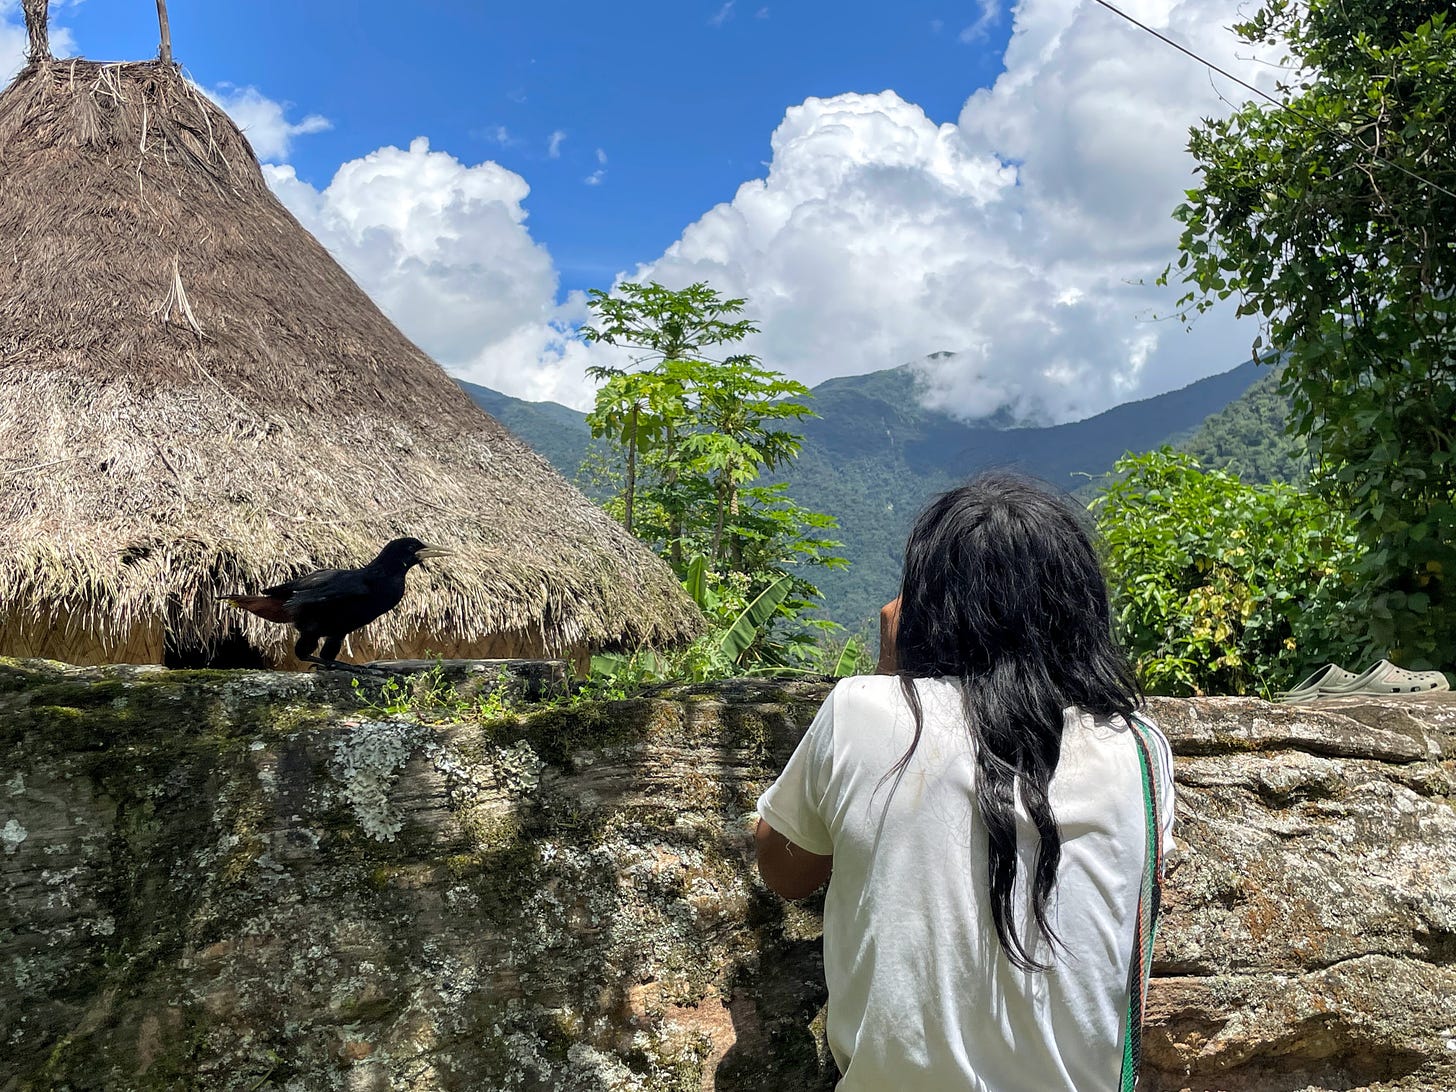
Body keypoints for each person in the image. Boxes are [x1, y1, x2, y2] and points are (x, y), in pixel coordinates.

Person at [754, 471, 1175, 1091]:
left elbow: (784, 870)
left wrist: (894, 675)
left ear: (926, 609)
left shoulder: (861, 713)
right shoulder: (1141, 748)